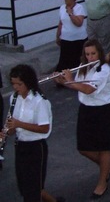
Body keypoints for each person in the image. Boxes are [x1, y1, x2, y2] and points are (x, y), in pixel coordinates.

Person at [56, 39, 110, 199]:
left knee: (104, 147)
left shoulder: (103, 70)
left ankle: (102, 182)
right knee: (83, 148)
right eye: (87, 54)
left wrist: (69, 79)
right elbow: (76, 85)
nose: (91, 57)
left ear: (99, 53)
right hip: (86, 109)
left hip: (103, 110)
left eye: (93, 54)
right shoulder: (83, 68)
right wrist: (62, 81)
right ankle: (106, 167)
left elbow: (88, 89)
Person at [0, 65, 63, 202]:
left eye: (19, 84)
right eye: (13, 84)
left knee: (33, 189)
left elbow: (44, 128)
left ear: (28, 82)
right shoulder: (14, 98)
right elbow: (12, 126)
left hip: (36, 148)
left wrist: (19, 124)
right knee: (24, 186)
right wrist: (7, 131)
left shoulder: (39, 101)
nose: (16, 87)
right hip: (21, 146)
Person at [56, 0, 88, 71]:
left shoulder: (79, 8)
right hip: (66, 39)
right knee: (64, 63)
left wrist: (71, 13)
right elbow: (61, 23)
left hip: (78, 40)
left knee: (77, 62)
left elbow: (79, 23)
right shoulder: (62, 8)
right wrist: (57, 36)